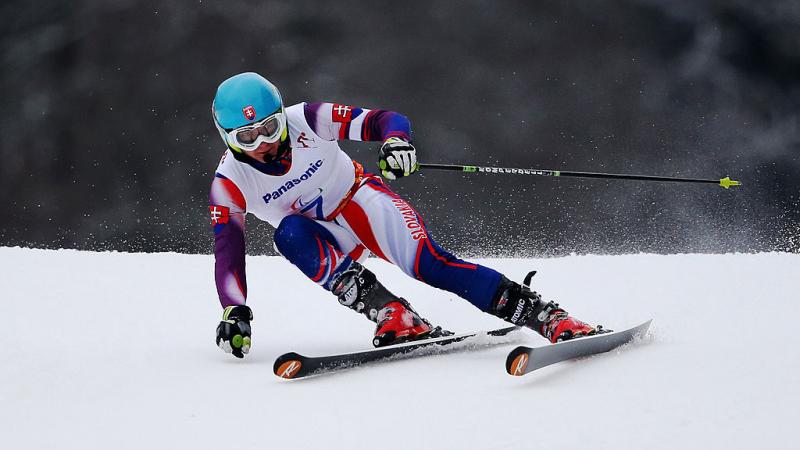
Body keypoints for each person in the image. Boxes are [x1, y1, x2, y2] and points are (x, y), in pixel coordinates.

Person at [210, 72, 599, 358]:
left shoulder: (308, 119)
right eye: (246, 137)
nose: (262, 143)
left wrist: (396, 142)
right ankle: (393, 314)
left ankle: (548, 317)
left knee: (429, 264)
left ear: (282, 115)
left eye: (269, 127)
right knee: (289, 234)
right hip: (326, 240)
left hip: (360, 202)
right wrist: (234, 306)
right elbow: (228, 250)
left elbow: (384, 120)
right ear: (227, 137)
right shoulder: (229, 182)